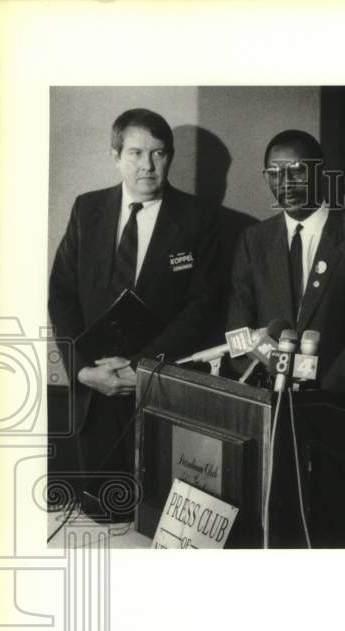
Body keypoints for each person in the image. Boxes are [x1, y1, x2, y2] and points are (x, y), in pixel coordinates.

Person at [48, 108, 221, 515]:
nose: (147, 165)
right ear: (115, 155)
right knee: (99, 517)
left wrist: (142, 367)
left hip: (159, 387)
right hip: (93, 388)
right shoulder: (86, 209)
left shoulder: (198, 219)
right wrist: (81, 367)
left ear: (170, 157)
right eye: (136, 152)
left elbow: (203, 306)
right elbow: (61, 294)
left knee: (154, 521)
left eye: (159, 153)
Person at [225, 129, 345, 398]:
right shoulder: (253, 240)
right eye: (275, 173)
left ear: (321, 171)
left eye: (298, 171)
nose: (286, 183)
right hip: (265, 396)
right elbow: (238, 332)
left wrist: (317, 392)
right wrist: (268, 385)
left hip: (333, 401)